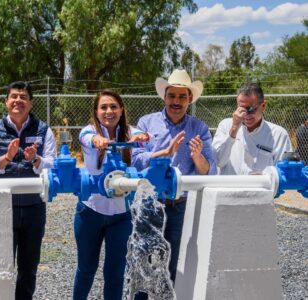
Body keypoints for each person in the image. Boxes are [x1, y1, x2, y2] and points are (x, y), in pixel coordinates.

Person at [132, 69, 217, 298]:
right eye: (172, 96)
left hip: (180, 206)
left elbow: (209, 171)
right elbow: (135, 159)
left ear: (190, 99)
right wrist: (161, 153)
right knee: (144, 260)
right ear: (164, 96)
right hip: (150, 203)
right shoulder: (146, 123)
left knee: (174, 262)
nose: (176, 102)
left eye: (182, 97)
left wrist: (197, 156)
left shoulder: (199, 129)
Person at [0, 81, 56, 300]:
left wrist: (36, 159)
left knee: (28, 268)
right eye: (14, 96)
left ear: (31, 103)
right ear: (6, 102)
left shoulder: (43, 129)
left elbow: (53, 164)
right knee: (0, 266)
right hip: (1, 207)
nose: (18, 101)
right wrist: (6, 158)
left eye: (23, 97)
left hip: (33, 208)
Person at [75, 90, 149, 300]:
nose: (109, 111)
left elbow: (143, 139)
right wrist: (97, 140)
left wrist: (142, 138)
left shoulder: (130, 132)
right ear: (96, 112)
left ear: (121, 110)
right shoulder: (89, 131)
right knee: (86, 269)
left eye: (114, 107)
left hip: (122, 216)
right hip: (90, 212)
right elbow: (85, 137)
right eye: (104, 107)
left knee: (115, 273)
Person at [212, 83, 292, 175]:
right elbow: (218, 161)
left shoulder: (278, 134)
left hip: (262, 189)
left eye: (251, 109)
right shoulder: (225, 126)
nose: (246, 114)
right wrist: (233, 130)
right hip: (229, 189)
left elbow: (285, 173)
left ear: (263, 106)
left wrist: (265, 176)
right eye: (242, 109)